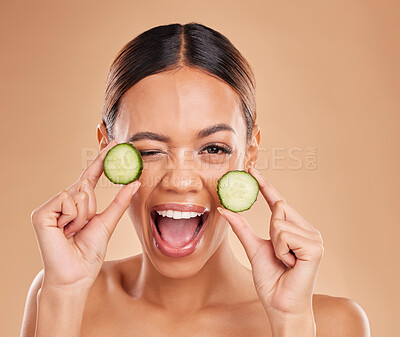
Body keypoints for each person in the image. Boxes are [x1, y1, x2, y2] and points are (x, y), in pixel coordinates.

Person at [20, 22, 370, 337]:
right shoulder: (58, 294)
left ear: (249, 153)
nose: (181, 181)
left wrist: (290, 323)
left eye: (214, 149)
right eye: (148, 150)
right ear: (107, 152)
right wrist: (64, 294)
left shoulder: (334, 324)